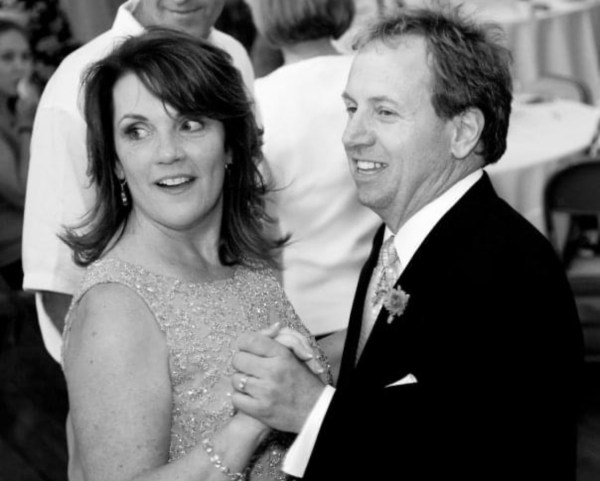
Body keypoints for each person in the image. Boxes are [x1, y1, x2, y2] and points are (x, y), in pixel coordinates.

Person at [230, 7, 583, 480]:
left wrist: (311, 409)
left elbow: (485, 454)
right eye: (352, 109)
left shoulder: (511, 272)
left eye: (385, 112)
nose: (352, 136)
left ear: (463, 132)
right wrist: (321, 364)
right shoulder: (401, 236)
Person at [61, 28, 330, 481]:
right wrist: (250, 425)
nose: (168, 152)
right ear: (115, 162)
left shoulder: (244, 266)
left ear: (230, 144)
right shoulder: (116, 306)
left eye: (190, 124)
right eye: (137, 131)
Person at [22, 0, 256, 363]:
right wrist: (107, 377)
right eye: (137, 131)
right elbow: (58, 277)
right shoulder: (74, 85)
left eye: (191, 124)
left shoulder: (233, 54)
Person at [246, 0, 380, 342]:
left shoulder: (256, 102)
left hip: (304, 312)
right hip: (386, 299)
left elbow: (254, 227)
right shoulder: (378, 80)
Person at [0, 18, 39, 290]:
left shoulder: (12, 108)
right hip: (19, 254)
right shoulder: (21, 114)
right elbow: (24, 193)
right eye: (7, 58)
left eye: (25, 57)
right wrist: (27, 123)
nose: (20, 66)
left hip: (41, 238)